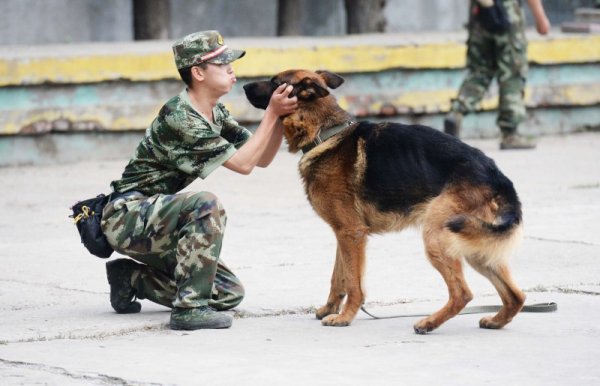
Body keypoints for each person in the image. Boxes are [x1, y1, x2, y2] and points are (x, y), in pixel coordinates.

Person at [100, 30, 297, 330]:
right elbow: (243, 165)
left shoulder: (214, 111)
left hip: (159, 219)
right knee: (205, 204)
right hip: (127, 215)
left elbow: (261, 159)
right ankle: (188, 311)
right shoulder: (182, 117)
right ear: (198, 72)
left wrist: (281, 119)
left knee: (227, 293)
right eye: (222, 64)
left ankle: (131, 279)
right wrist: (271, 113)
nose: (231, 69)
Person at [444, 0, 550, 149]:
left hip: (479, 11)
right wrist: (541, 18)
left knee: (480, 70)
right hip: (507, 11)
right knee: (512, 71)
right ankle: (510, 133)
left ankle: (457, 113)